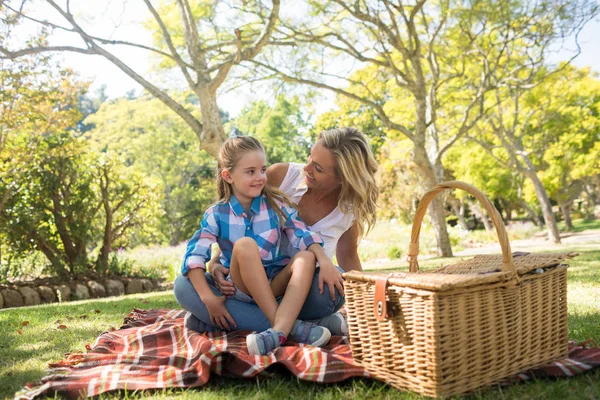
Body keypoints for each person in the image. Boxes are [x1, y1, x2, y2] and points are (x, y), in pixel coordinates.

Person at [174, 127, 379, 337]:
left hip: (294, 289)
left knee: (332, 286)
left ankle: (221, 323)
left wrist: (369, 308)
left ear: (342, 178)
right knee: (183, 285)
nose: (306, 168)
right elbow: (230, 232)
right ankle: (298, 328)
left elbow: (347, 255)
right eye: (309, 158)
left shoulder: (343, 208)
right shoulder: (278, 180)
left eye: (317, 168)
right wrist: (216, 263)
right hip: (242, 285)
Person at [179, 136, 333, 355]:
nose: (260, 177)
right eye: (251, 172)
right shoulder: (216, 214)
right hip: (240, 288)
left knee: (306, 257)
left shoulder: (276, 205)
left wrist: (323, 259)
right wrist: (209, 300)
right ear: (228, 176)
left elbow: (302, 234)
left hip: (274, 284)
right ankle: (287, 329)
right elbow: (195, 255)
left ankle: (273, 330)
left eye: (262, 170)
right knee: (244, 246)